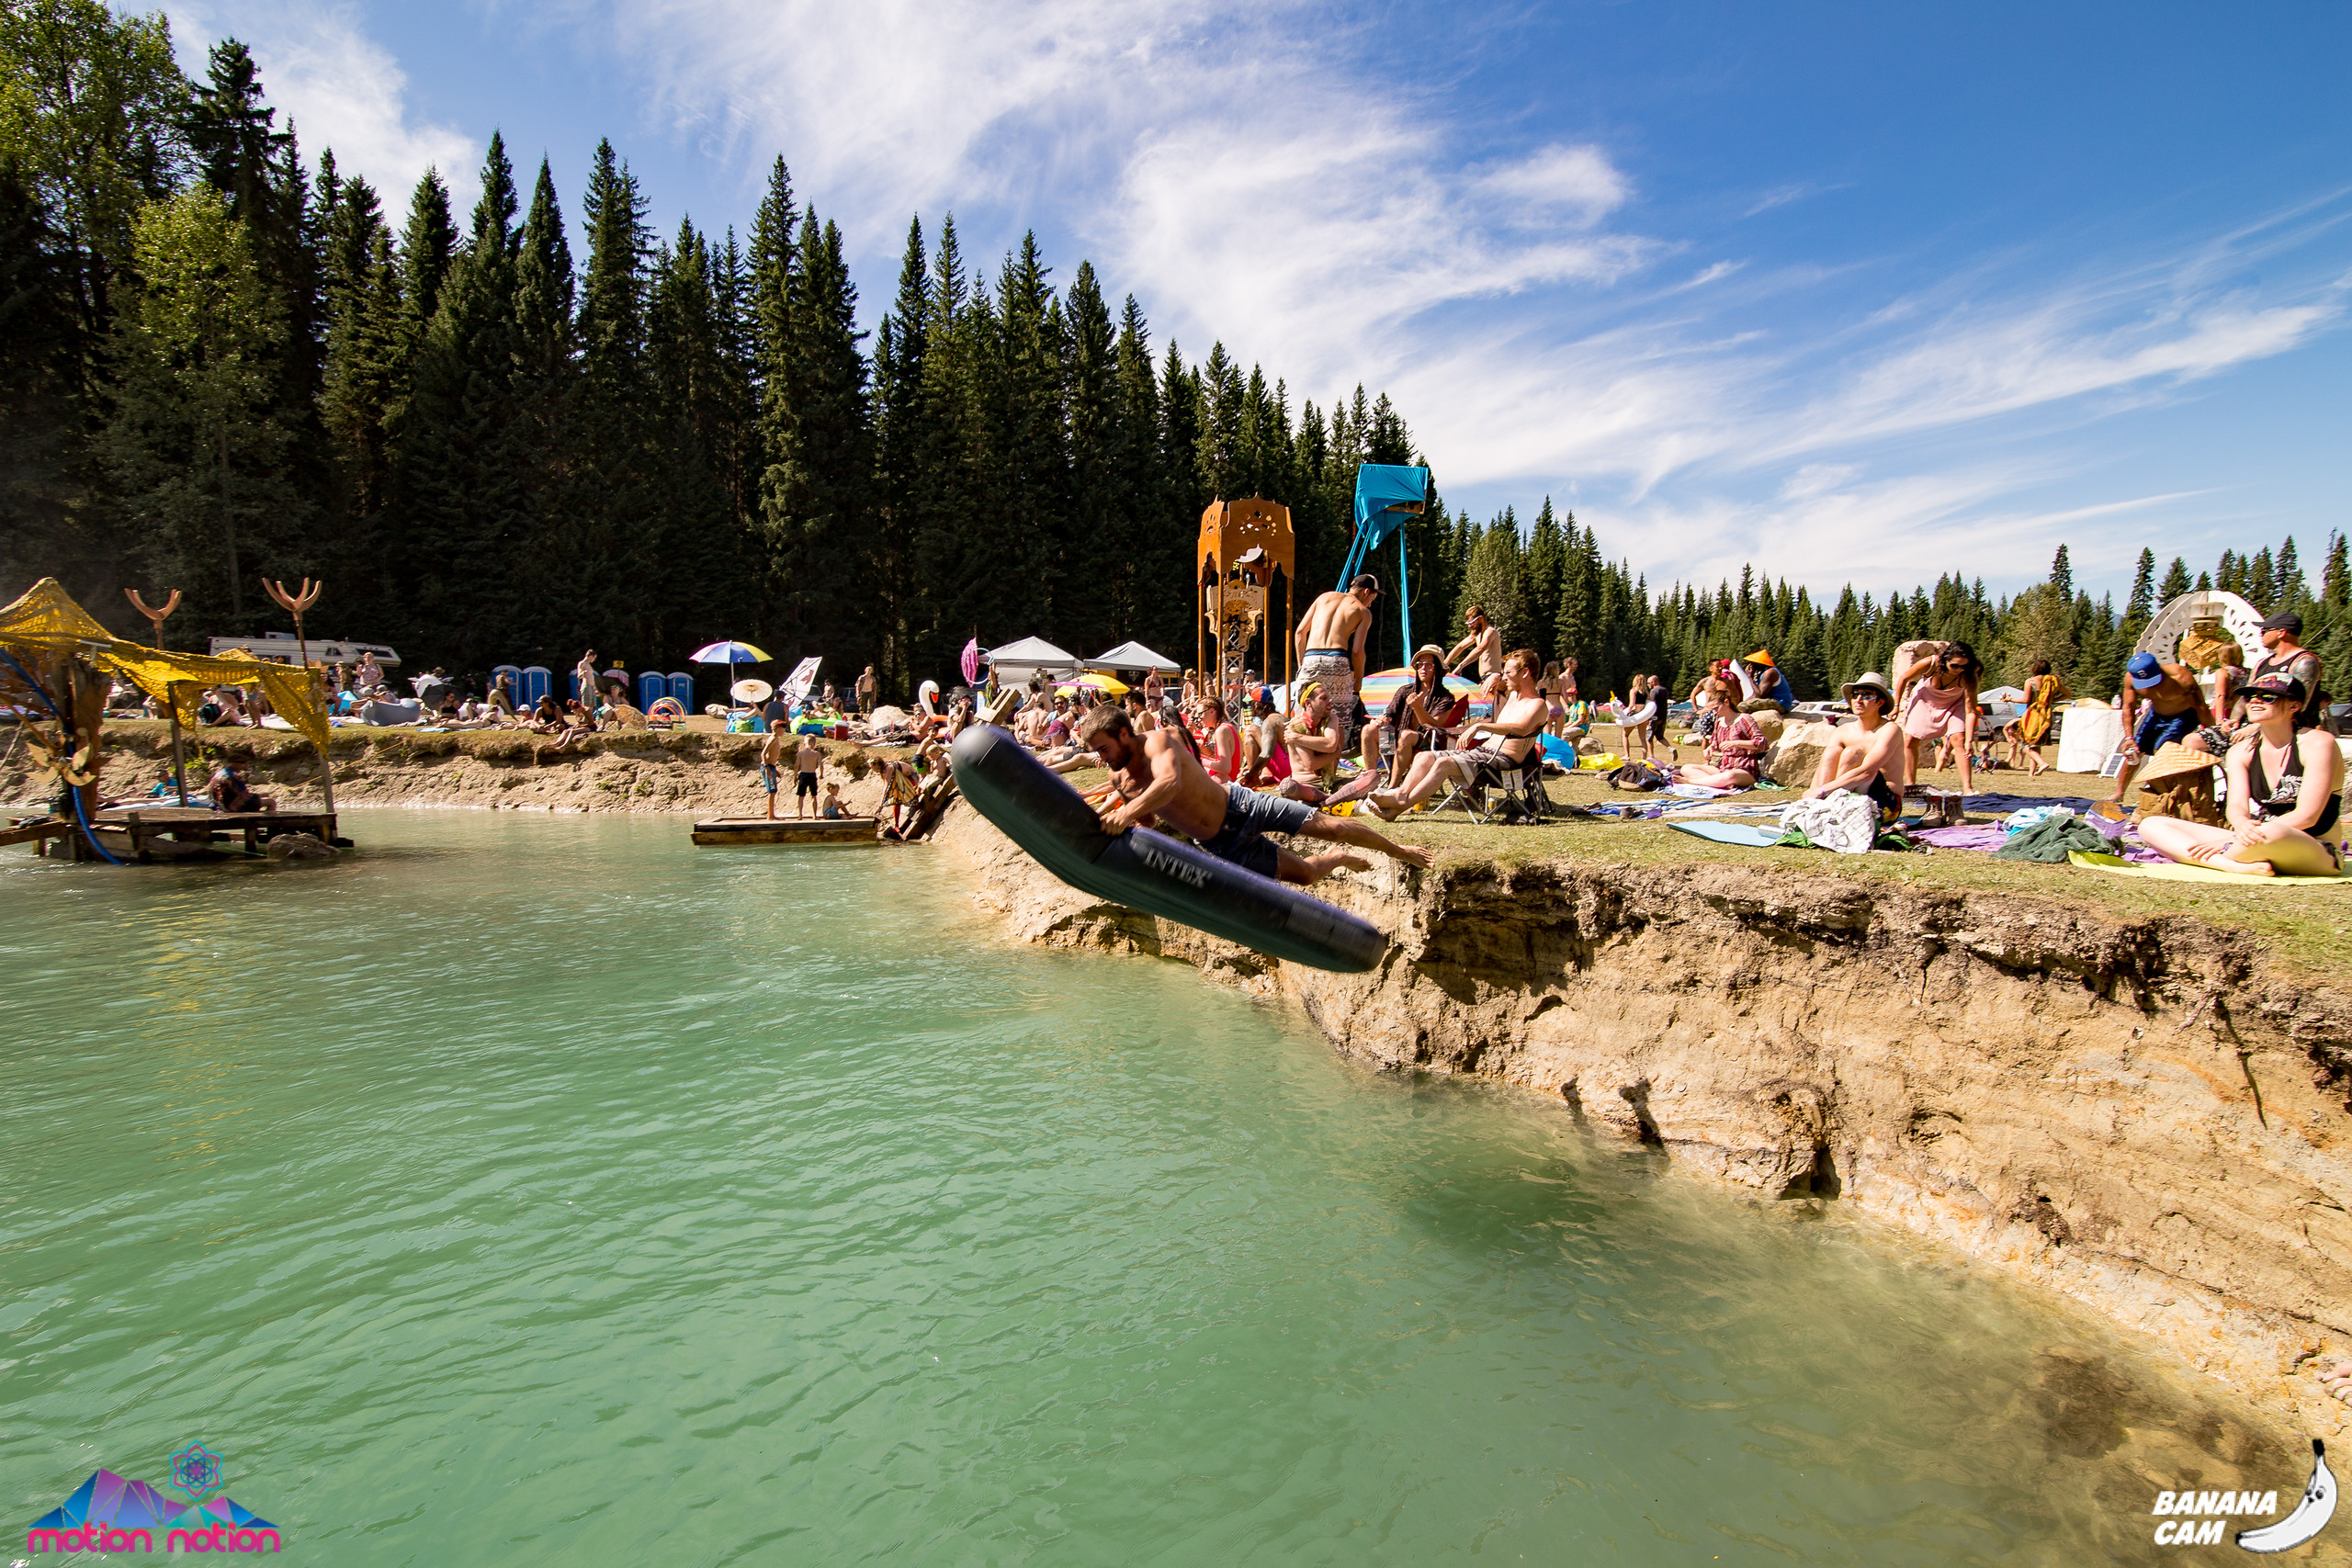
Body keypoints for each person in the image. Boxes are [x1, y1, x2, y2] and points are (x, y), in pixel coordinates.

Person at [1078, 704, 1431, 885]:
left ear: (1125, 733)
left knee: (1332, 826)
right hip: (1221, 843)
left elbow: (1170, 782)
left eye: (1103, 748)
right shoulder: (1119, 779)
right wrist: (1128, 827)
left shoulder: (1157, 741)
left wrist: (1124, 813)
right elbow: (1148, 822)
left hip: (1241, 803)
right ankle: (1337, 858)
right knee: (1306, 875)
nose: (1101, 757)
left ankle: (1400, 851)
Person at [2139, 675, 2342, 876]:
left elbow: (2307, 816)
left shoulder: (2317, 743)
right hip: (2253, 839)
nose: (2255, 700)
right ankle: (2233, 865)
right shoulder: (2241, 751)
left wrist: (2235, 840)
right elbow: (2237, 807)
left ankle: (2224, 855)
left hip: (2314, 848)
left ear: (2294, 706)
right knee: (2152, 825)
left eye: (2268, 697)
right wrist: (2241, 826)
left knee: (2274, 833)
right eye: (2250, 696)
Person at [1363, 649, 1548, 820]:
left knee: (1444, 763)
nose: (1505, 677)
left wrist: (1480, 726)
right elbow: (1497, 683)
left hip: (1502, 761)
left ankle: (1401, 802)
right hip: (1483, 753)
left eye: (1508, 673)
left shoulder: (1537, 704)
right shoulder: (1512, 695)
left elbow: (1522, 729)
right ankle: (1398, 798)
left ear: (1524, 672)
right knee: (1425, 756)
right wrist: (1495, 676)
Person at [2112, 649, 2210, 805]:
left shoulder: (2181, 677)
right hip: (2157, 714)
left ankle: (2160, 794)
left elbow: (2201, 707)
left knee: (2161, 749)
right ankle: (2119, 793)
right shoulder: (2130, 679)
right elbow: (2128, 708)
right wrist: (2129, 737)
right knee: (2134, 750)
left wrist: (2213, 732)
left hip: (2184, 715)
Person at [1293, 572, 1379, 745]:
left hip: (1311, 656)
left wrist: (1302, 664)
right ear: (1366, 591)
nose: (1371, 603)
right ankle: (1330, 767)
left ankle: (1301, 765)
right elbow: (1357, 652)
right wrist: (1358, 681)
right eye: (1373, 598)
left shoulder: (1323, 598)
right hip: (1337, 660)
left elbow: (1300, 632)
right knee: (1335, 719)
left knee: (1302, 714)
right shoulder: (1363, 612)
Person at [1807, 672, 1907, 818]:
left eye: (1867, 696)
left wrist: (1823, 790)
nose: (1859, 700)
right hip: (1846, 795)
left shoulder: (1889, 730)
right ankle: (1822, 807)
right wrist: (1813, 794)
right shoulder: (1843, 730)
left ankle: (1830, 805)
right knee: (1832, 754)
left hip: (1885, 802)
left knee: (1853, 753)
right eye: (1855, 695)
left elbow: (1867, 772)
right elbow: (1825, 764)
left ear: (1880, 702)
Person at [1894, 639, 1984, 795]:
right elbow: (1904, 678)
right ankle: (1910, 785)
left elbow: (1970, 711)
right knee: (1910, 739)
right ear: (1945, 660)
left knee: (1959, 740)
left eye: (1964, 666)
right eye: (1954, 665)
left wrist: (1970, 740)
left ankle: (1968, 788)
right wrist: (1896, 705)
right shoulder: (1931, 663)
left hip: (1953, 704)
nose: (1959, 670)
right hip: (1925, 699)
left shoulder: (1969, 676)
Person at [1678, 682, 1769, 789]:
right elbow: (1715, 744)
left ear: (1726, 702)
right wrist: (1710, 749)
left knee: (1730, 776)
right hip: (1724, 767)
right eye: (1712, 710)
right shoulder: (1719, 722)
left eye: (1716, 708)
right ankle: (1719, 783)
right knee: (1686, 768)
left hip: (1744, 769)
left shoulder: (1744, 719)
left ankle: (1692, 781)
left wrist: (1736, 743)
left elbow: (1762, 743)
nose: (1714, 712)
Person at [2247, 610, 2327, 731]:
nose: (2261, 635)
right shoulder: (2261, 663)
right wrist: (2233, 720)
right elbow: (2247, 696)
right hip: (2260, 726)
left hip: (2292, 731)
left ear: (2281, 632)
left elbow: (2298, 706)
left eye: (2264, 631)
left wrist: (2257, 726)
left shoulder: (2304, 662)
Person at [1281, 682, 1343, 801]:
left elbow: (1330, 744)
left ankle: (1326, 799)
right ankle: (1333, 799)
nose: (1330, 701)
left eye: (1329, 698)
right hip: (1306, 785)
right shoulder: (1297, 726)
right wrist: (1336, 753)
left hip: (1329, 783)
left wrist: (1296, 737)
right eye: (1323, 698)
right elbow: (1312, 764)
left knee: (1372, 776)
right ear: (1308, 703)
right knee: (1288, 787)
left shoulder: (1331, 718)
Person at [2008, 660, 2069, 775]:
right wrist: (2051, 701)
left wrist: (2010, 699)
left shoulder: (2030, 681)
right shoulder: (2052, 681)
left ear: (2034, 668)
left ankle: (2042, 763)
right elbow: (2068, 694)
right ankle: (2032, 773)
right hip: (2047, 714)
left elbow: (2026, 700)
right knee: (2036, 744)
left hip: (2033, 715)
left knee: (2026, 745)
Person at [1196, 694, 1241, 783]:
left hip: (1222, 781)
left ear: (1212, 711)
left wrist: (1199, 760)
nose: (1199, 719)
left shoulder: (1222, 730)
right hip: (1226, 779)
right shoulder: (1228, 727)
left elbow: (1225, 767)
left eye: (1200, 714)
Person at [1733, 650, 1794, 714]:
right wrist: (1743, 702)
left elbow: (1761, 695)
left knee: (1743, 707)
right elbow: (1755, 695)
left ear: (1759, 663)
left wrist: (1750, 677)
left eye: (1752, 663)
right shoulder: (1761, 673)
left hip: (1781, 703)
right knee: (1740, 706)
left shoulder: (1770, 673)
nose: (1750, 665)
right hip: (1772, 701)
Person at [1618, 674, 1660, 761]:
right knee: (1642, 738)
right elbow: (1652, 701)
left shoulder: (1633, 691)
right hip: (1643, 716)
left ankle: (1627, 755)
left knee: (1625, 735)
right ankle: (1644, 757)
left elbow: (1632, 705)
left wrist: (1625, 713)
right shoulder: (1645, 692)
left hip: (1634, 715)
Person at [209, 760, 273, 813]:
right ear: (236, 764)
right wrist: (256, 796)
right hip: (232, 807)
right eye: (244, 763)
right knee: (271, 802)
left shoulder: (222, 772)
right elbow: (245, 795)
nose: (247, 765)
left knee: (264, 795)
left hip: (219, 804)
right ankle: (266, 824)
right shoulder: (234, 776)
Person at [758, 726, 788, 818]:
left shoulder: (776, 739)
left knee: (773, 791)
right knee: (772, 791)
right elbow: (763, 753)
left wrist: (775, 769)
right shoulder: (773, 739)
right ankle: (770, 816)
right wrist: (767, 768)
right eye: (783, 730)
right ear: (778, 729)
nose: (784, 732)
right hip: (768, 766)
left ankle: (771, 814)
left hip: (771, 766)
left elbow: (771, 755)